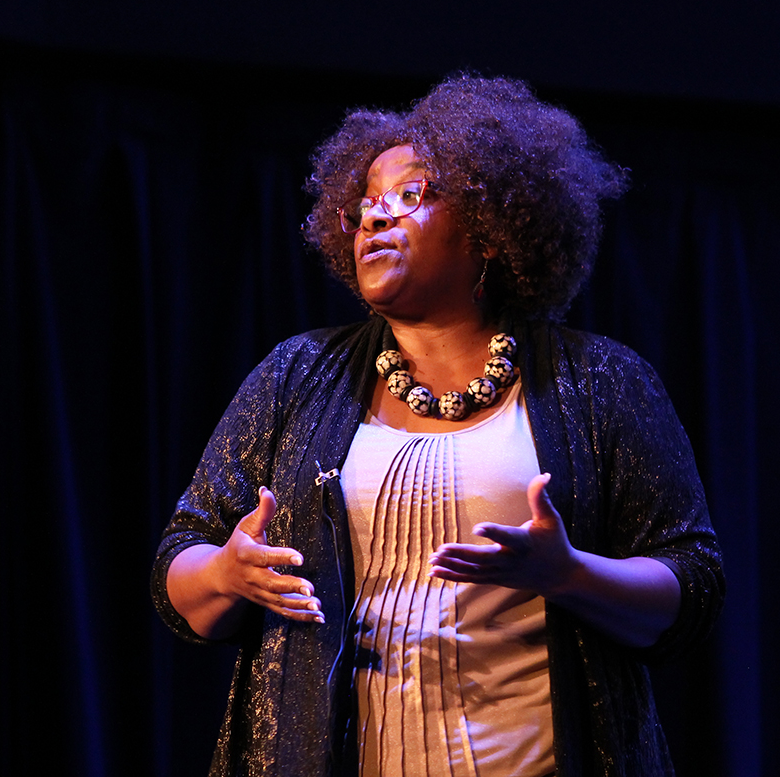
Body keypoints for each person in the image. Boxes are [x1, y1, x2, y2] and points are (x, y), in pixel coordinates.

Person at [152, 75, 724, 777]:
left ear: (493, 224)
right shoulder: (296, 375)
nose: (376, 217)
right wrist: (228, 571)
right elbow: (180, 567)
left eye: (411, 195)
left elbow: (689, 585)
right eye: (363, 204)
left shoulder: (602, 381)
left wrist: (571, 574)